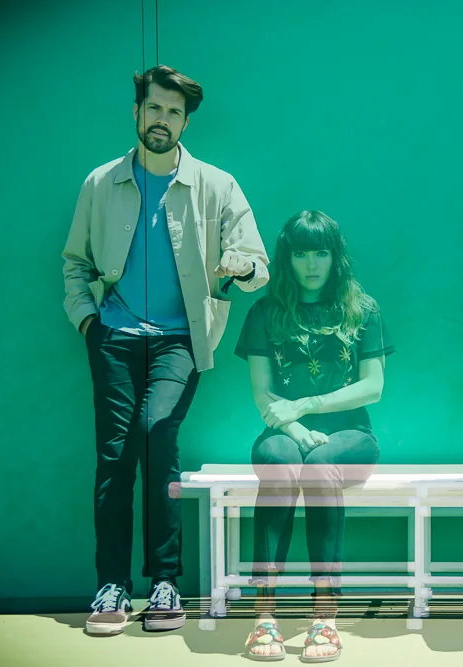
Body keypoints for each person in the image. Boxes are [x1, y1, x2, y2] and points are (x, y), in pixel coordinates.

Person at [62, 65, 270, 635]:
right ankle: (111, 586)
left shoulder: (216, 185)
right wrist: (87, 321)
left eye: (174, 112)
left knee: (157, 435)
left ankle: (165, 581)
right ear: (137, 112)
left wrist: (241, 266)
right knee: (115, 454)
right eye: (154, 108)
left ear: (185, 123)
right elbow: (75, 261)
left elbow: (257, 263)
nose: (163, 119)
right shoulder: (101, 183)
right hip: (114, 337)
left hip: (181, 339)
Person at [235, 210, 394, 662]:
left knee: (321, 468)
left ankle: (325, 616)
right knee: (280, 463)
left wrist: (306, 406)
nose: (311, 264)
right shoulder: (265, 312)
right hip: (283, 431)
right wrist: (294, 426)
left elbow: (373, 387)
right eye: (301, 253)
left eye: (320, 253)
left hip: (351, 435)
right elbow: (263, 394)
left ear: (334, 256)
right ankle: (264, 615)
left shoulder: (363, 309)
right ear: (287, 258)